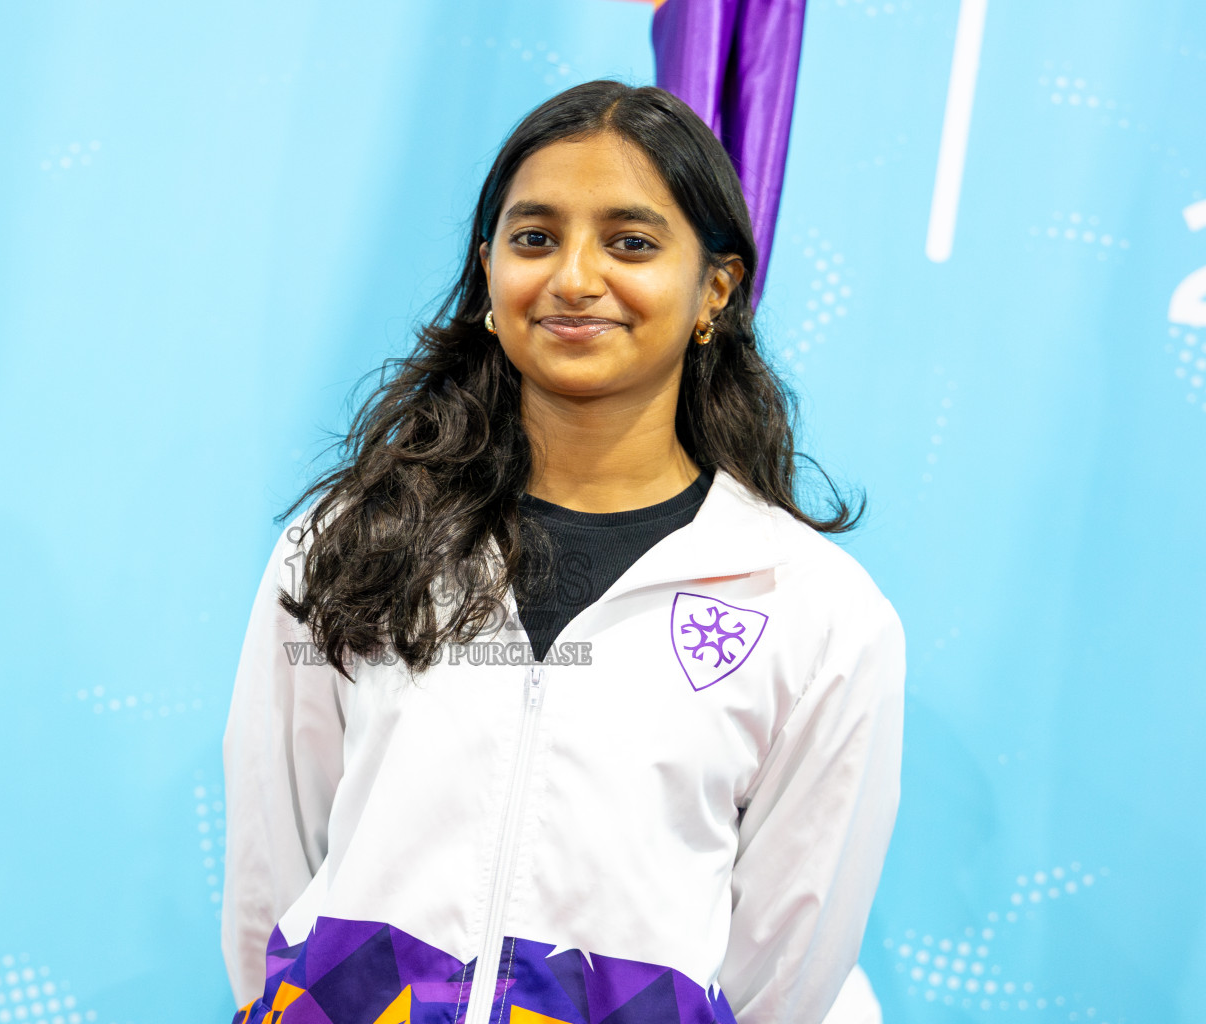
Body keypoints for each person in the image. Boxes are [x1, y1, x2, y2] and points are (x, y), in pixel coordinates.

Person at [220, 79, 905, 1024]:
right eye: (535, 238)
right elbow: (273, 870)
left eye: (630, 242)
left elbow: (785, 964)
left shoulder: (814, 609)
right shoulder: (347, 544)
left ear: (716, 287)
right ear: (490, 274)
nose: (574, 278)